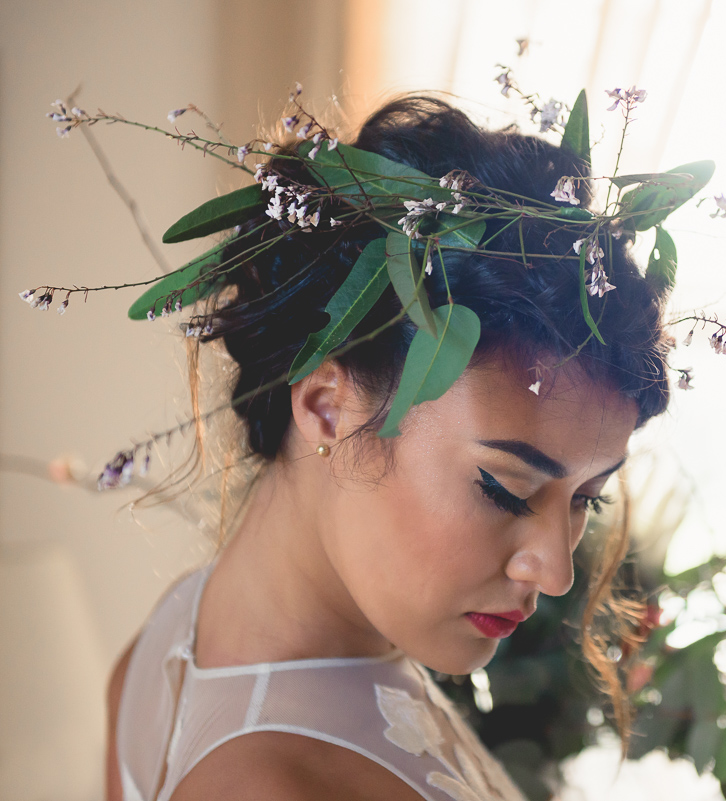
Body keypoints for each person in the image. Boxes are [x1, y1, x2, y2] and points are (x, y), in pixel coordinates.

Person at [103, 95, 675, 801]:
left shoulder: (168, 641)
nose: (555, 571)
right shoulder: (274, 782)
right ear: (325, 406)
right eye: (506, 489)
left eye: (587, 497)